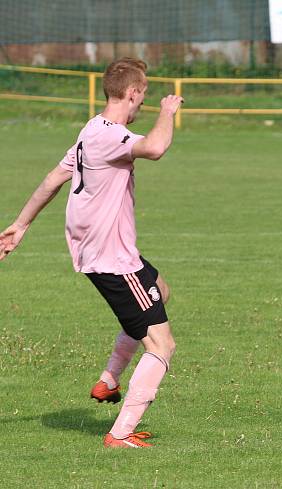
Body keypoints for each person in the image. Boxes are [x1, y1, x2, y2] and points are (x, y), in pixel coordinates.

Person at [0, 58, 184, 448]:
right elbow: (154, 147)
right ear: (132, 93)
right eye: (144, 98)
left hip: (102, 253)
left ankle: (108, 382)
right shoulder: (110, 135)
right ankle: (120, 433)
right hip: (114, 260)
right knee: (162, 344)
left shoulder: (90, 130)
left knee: (160, 290)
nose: (143, 106)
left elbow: (53, 178)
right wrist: (168, 112)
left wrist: (22, 223)